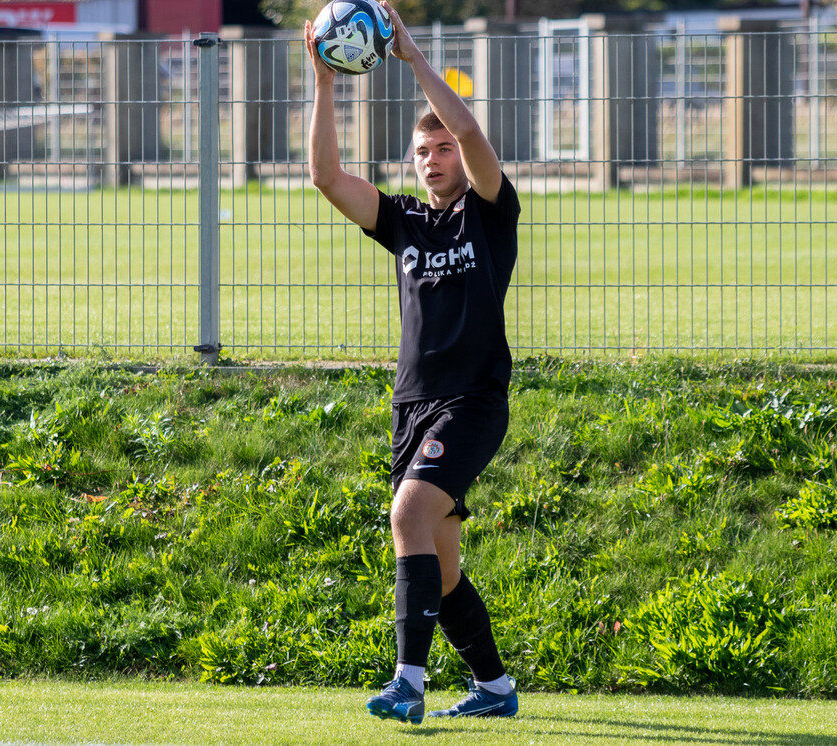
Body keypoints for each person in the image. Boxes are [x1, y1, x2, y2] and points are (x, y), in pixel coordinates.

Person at [304, 1, 521, 724]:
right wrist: (327, 82)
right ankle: (494, 688)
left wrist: (411, 57)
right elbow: (327, 178)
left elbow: (466, 126)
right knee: (443, 565)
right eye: (421, 152)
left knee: (407, 516)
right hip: (414, 404)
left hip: (473, 400)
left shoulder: (488, 210)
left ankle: (408, 683)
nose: (434, 157)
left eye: (443, 151)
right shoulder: (405, 220)